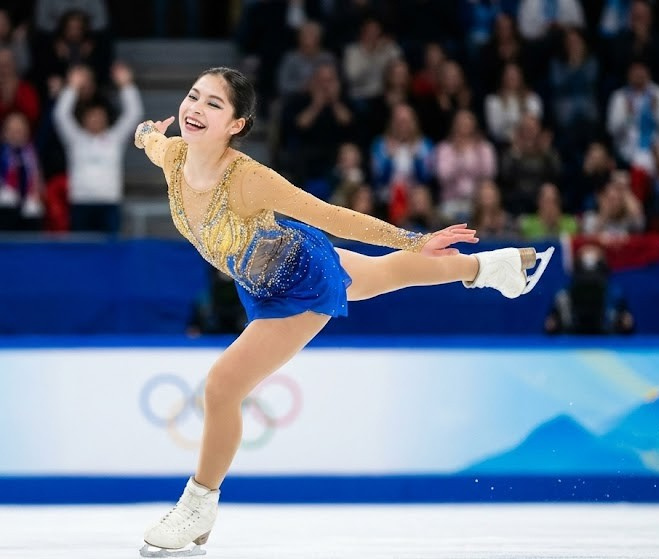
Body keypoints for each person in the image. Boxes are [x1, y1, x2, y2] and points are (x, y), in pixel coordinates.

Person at [132, 67, 551, 556]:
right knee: (391, 275)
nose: (195, 109)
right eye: (193, 96)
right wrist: (146, 134)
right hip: (263, 278)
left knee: (222, 386)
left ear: (237, 125)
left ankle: (198, 504)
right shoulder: (173, 154)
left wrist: (414, 237)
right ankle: (491, 268)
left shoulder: (247, 179)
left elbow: (332, 217)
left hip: (300, 283)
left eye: (213, 105)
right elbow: (149, 140)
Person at [53, 63, 143, 234]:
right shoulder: (75, 139)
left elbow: (133, 114)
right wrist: (72, 87)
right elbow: (61, 116)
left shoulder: (115, 138)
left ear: (106, 119)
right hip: (81, 202)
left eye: (99, 116)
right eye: (91, 117)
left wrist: (127, 86)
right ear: (84, 120)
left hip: (109, 202)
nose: (95, 120)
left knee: (110, 253)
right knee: (81, 251)